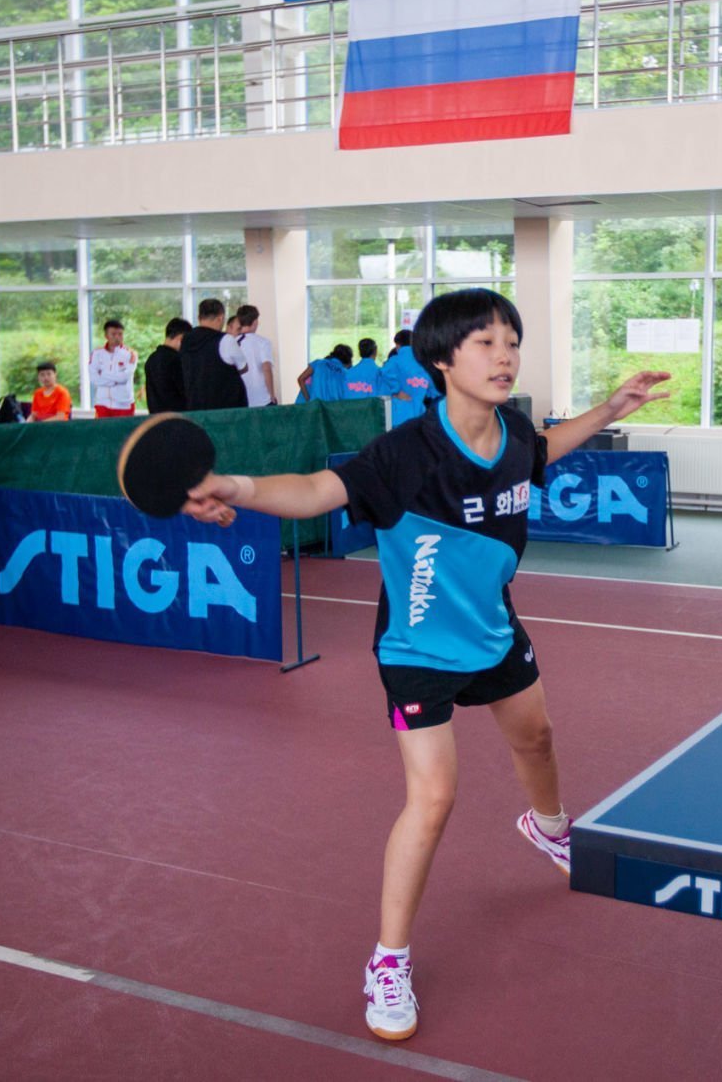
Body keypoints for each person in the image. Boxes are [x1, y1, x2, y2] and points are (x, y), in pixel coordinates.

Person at [180, 288, 671, 1043]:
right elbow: (317, 490)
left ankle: (548, 827)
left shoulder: (512, 431)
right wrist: (237, 489)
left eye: (512, 341)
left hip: (492, 628)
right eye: (486, 343)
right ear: (440, 358)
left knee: (537, 738)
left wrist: (609, 408)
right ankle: (389, 958)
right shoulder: (404, 452)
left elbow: (545, 446)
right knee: (434, 797)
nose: (505, 356)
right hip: (417, 649)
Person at [179, 298, 248, 411]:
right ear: (220, 318)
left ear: (199, 318)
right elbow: (243, 367)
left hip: (195, 407)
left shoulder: (185, 340)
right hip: (225, 409)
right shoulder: (225, 340)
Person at [377, 329, 434, 425]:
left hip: (398, 416)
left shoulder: (395, 361)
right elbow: (432, 389)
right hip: (419, 414)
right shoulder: (424, 362)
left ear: (397, 345)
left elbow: (384, 372)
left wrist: (396, 390)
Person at [227, 305, 277, 407]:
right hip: (262, 398)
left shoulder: (232, 343)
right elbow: (266, 368)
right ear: (254, 322)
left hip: (240, 398)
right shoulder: (263, 342)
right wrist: (272, 394)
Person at [88, 319, 138, 418]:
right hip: (102, 403)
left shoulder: (130, 354)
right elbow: (94, 378)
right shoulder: (96, 354)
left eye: (120, 334)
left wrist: (103, 373)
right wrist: (115, 380)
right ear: (106, 336)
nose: (117, 337)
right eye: (113, 334)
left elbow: (124, 378)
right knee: (102, 428)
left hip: (124, 404)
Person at [145, 317, 191, 413]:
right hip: (177, 416)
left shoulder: (151, 359)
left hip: (156, 417)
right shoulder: (177, 360)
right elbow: (185, 391)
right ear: (181, 338)